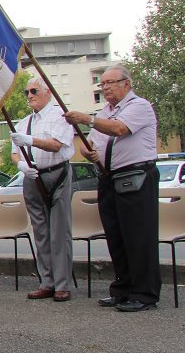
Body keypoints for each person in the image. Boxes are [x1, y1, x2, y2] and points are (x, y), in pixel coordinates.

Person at [65, 65, 160, 312]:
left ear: (126, 84)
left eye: (109, 82)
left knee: (138, 236)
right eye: (102, 84)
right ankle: (123, 288)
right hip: (109, 177)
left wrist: (87, 119)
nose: (104, 87)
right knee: (116, 236)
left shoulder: (138, 106)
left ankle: (144, 293)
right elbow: (96, 143)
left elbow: (119, 129)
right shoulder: (105, 112)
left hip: (136, 176)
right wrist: (88, 151)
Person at [12, 78, 75, 302]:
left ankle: (62, 284)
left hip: (56, 173)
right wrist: (20, 164)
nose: (29, 95)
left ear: (47, 91)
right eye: (26, 92)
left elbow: (56, 144)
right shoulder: (24, 122)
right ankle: (47, 281)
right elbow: (15, 151)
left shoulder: (60, 116)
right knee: (40, 232)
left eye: (34, 90)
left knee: (59, 232)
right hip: (33, 175)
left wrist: (29, 140)